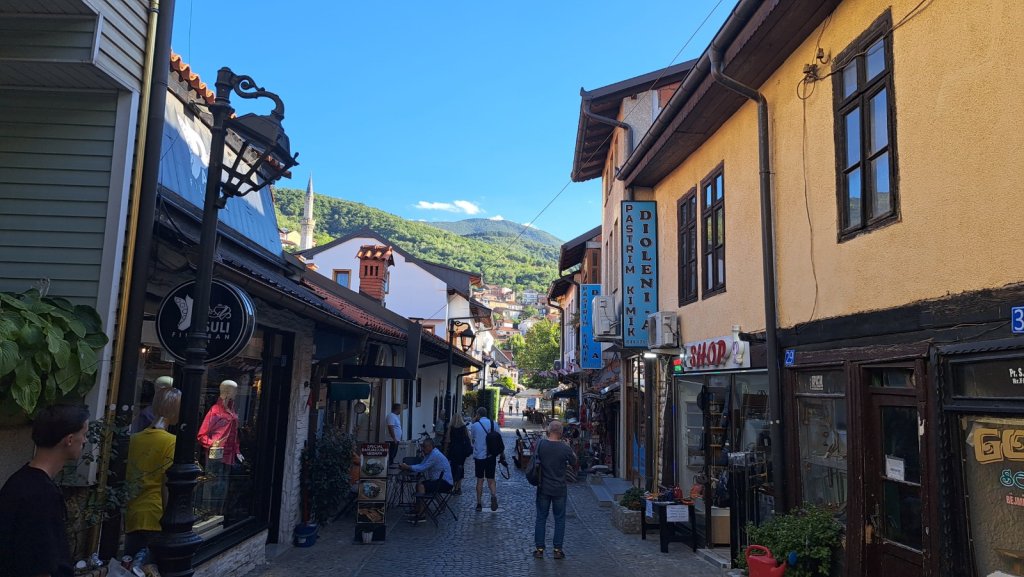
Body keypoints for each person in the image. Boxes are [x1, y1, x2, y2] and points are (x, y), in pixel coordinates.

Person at [0, 404, 90, 577]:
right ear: (69, 439)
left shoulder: (21, 481)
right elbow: (39, 565)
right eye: (84, 434)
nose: (85, 441)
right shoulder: (40, 495)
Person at [125, 387, 182, 557]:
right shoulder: (171, 442)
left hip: (133, 516)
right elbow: (166, 484)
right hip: (155, 517)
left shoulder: (134, 440)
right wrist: (170, 521)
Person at [532, 420, 577, 560]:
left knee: (541, 518)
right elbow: (574, 462)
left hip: (543, 487)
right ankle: (557, 549)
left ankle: (539, 549)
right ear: (561, 433)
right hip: (559, 488)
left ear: (548, 431)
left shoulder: (541, 444)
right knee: (559, 519)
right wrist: (569, 447)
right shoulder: (565, 448)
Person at [197, 380, 242, 515]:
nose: (237, 392)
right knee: (212, 482)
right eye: (234, 390)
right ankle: (207, 511)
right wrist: (213, 444)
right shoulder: (215, 411)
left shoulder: (231, 410)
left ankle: (219, 512)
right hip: (216, 454)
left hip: (228, 455)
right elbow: (201, 435)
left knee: (223, 484)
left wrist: (237, 451)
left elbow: (234, 434)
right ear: (227, 391)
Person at [398, 437, 452, 522]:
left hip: (445, 483)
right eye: (423, 446)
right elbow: (422, 464)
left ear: (430, 446)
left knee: (421, 485)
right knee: (419, 484)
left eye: (424, 446)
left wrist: (408, 467)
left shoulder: (434, 455)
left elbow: (422, 467)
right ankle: (418, 508)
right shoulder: (431, 454)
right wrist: (410, 467)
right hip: (440, 481)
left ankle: (421, 514)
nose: (423, 448)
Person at [470, 406, 500, 512]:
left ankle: (479, 504)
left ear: (478, 414)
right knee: (491, 479)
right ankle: (493, 495)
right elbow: (499, 439)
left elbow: (472, 439)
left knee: (480, 480)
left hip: (479, 456)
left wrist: (474, 421)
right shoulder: (493, 424)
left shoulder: (475, 426)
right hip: (491, 456)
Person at [442, 412, 472, 495]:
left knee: (453, 468)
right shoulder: (464, 428)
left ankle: (453, 486)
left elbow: (447, 440)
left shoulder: (450, 428)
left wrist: (445, 452)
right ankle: (458, 487)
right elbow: (468, 438)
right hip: (462, 451)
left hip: (453, 450)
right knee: (460, 468)